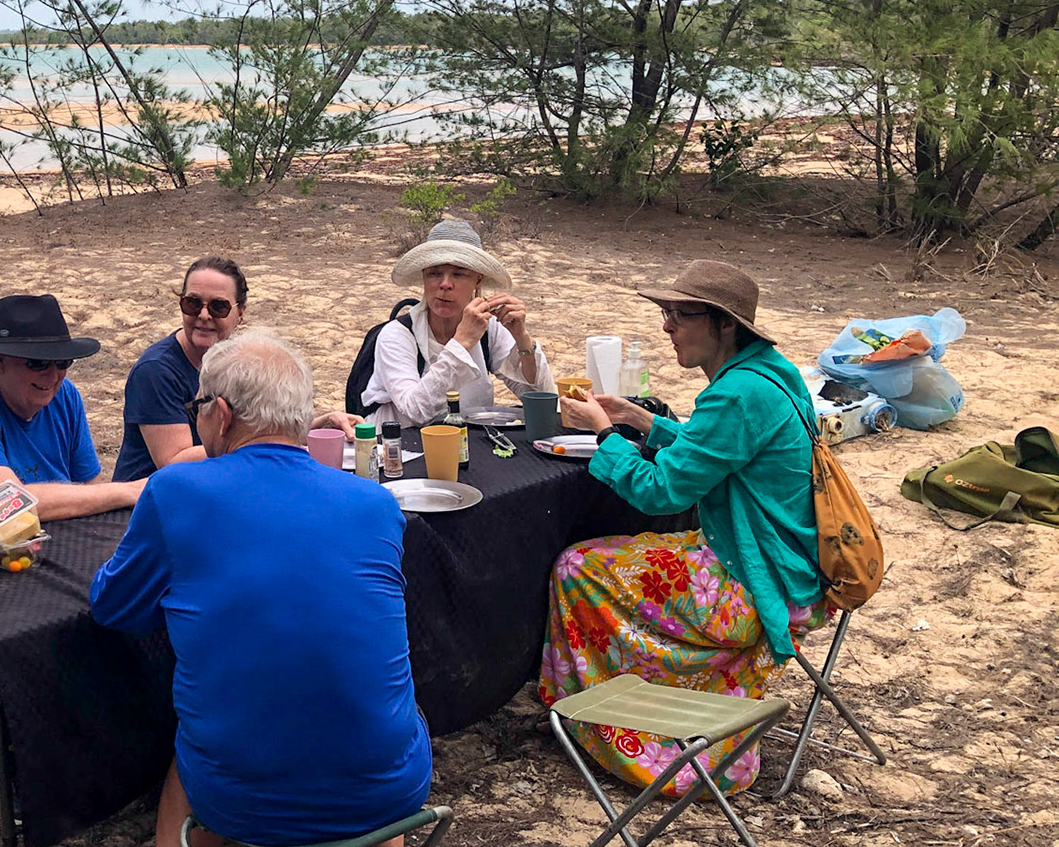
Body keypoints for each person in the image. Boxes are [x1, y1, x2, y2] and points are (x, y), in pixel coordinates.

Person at [70, 332, 434, 847]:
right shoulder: (376, 503)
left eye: (198, 405)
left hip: (240, 798)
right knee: (378, 706)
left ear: (222, 413)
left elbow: (114, 608)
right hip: (393, 795)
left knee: (194, 748)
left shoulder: (179, 490)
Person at [541, 259, 825, 797]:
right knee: (619, 554)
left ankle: (611, 725)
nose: (667, 325)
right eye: (666, 312)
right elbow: (716, 450)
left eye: (680, 314)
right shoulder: (768, 373)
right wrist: (643, 421)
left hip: (753, 577)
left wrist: (606, 435)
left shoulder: (736, 394)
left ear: (724, 325)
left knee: (577, 566)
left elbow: (661, 491)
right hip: (789, 562)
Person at [0, 293, 145, 518]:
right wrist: (128, 491)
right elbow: (8, 504)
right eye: (37, 363)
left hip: (32, 537)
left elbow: (89, 485)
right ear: (0, 361)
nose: (52, 376)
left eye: (62, 362)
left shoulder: (65, 395)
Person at [114, 255, 351, 480]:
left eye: (218, 307)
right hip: (149, 504)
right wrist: (258, 449)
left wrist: (318, 424)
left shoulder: (240, 361)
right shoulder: (156, 371)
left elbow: (258, 427)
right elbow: (174, 462)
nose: (204, 315)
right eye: (192, 303)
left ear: (241, 313)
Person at [361, 218, 555, 429]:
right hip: (400, 448)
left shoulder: (489, 330)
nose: (445, 284)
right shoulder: (397, 334)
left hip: (466, 442)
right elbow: (416, 412)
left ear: (477, 280)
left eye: (459, 274)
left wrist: (522, 339)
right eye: (434, 273)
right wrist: (461, 342)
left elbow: (542, 398)